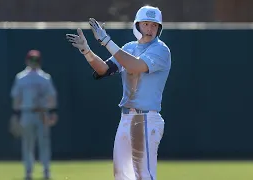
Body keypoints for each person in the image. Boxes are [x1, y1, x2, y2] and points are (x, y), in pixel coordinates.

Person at [66, 5, 171, 180]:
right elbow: (104, 69)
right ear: (137, 25)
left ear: (159, 28)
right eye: (146, 24)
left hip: (146, 118)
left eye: (154, 25)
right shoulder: (129, 47)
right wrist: (87, 51)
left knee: (144, 175)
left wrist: (106, 41)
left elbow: (135, 66)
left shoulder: (161, 49)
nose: (150, 29)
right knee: (121, 175)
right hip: (126, 117)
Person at [10, 50, 58, 180]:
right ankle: (28, 171)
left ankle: (46, 170)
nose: (33, 62)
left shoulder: (45, 77)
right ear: (27, 60)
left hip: (42, 113)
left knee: (44, 143)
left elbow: (51, 95)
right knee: (27, 144)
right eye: (31, 59)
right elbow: (16, 97)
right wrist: (15, 115)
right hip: (27, 112)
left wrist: (53, 112)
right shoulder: (21, 77)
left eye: (36, 60)